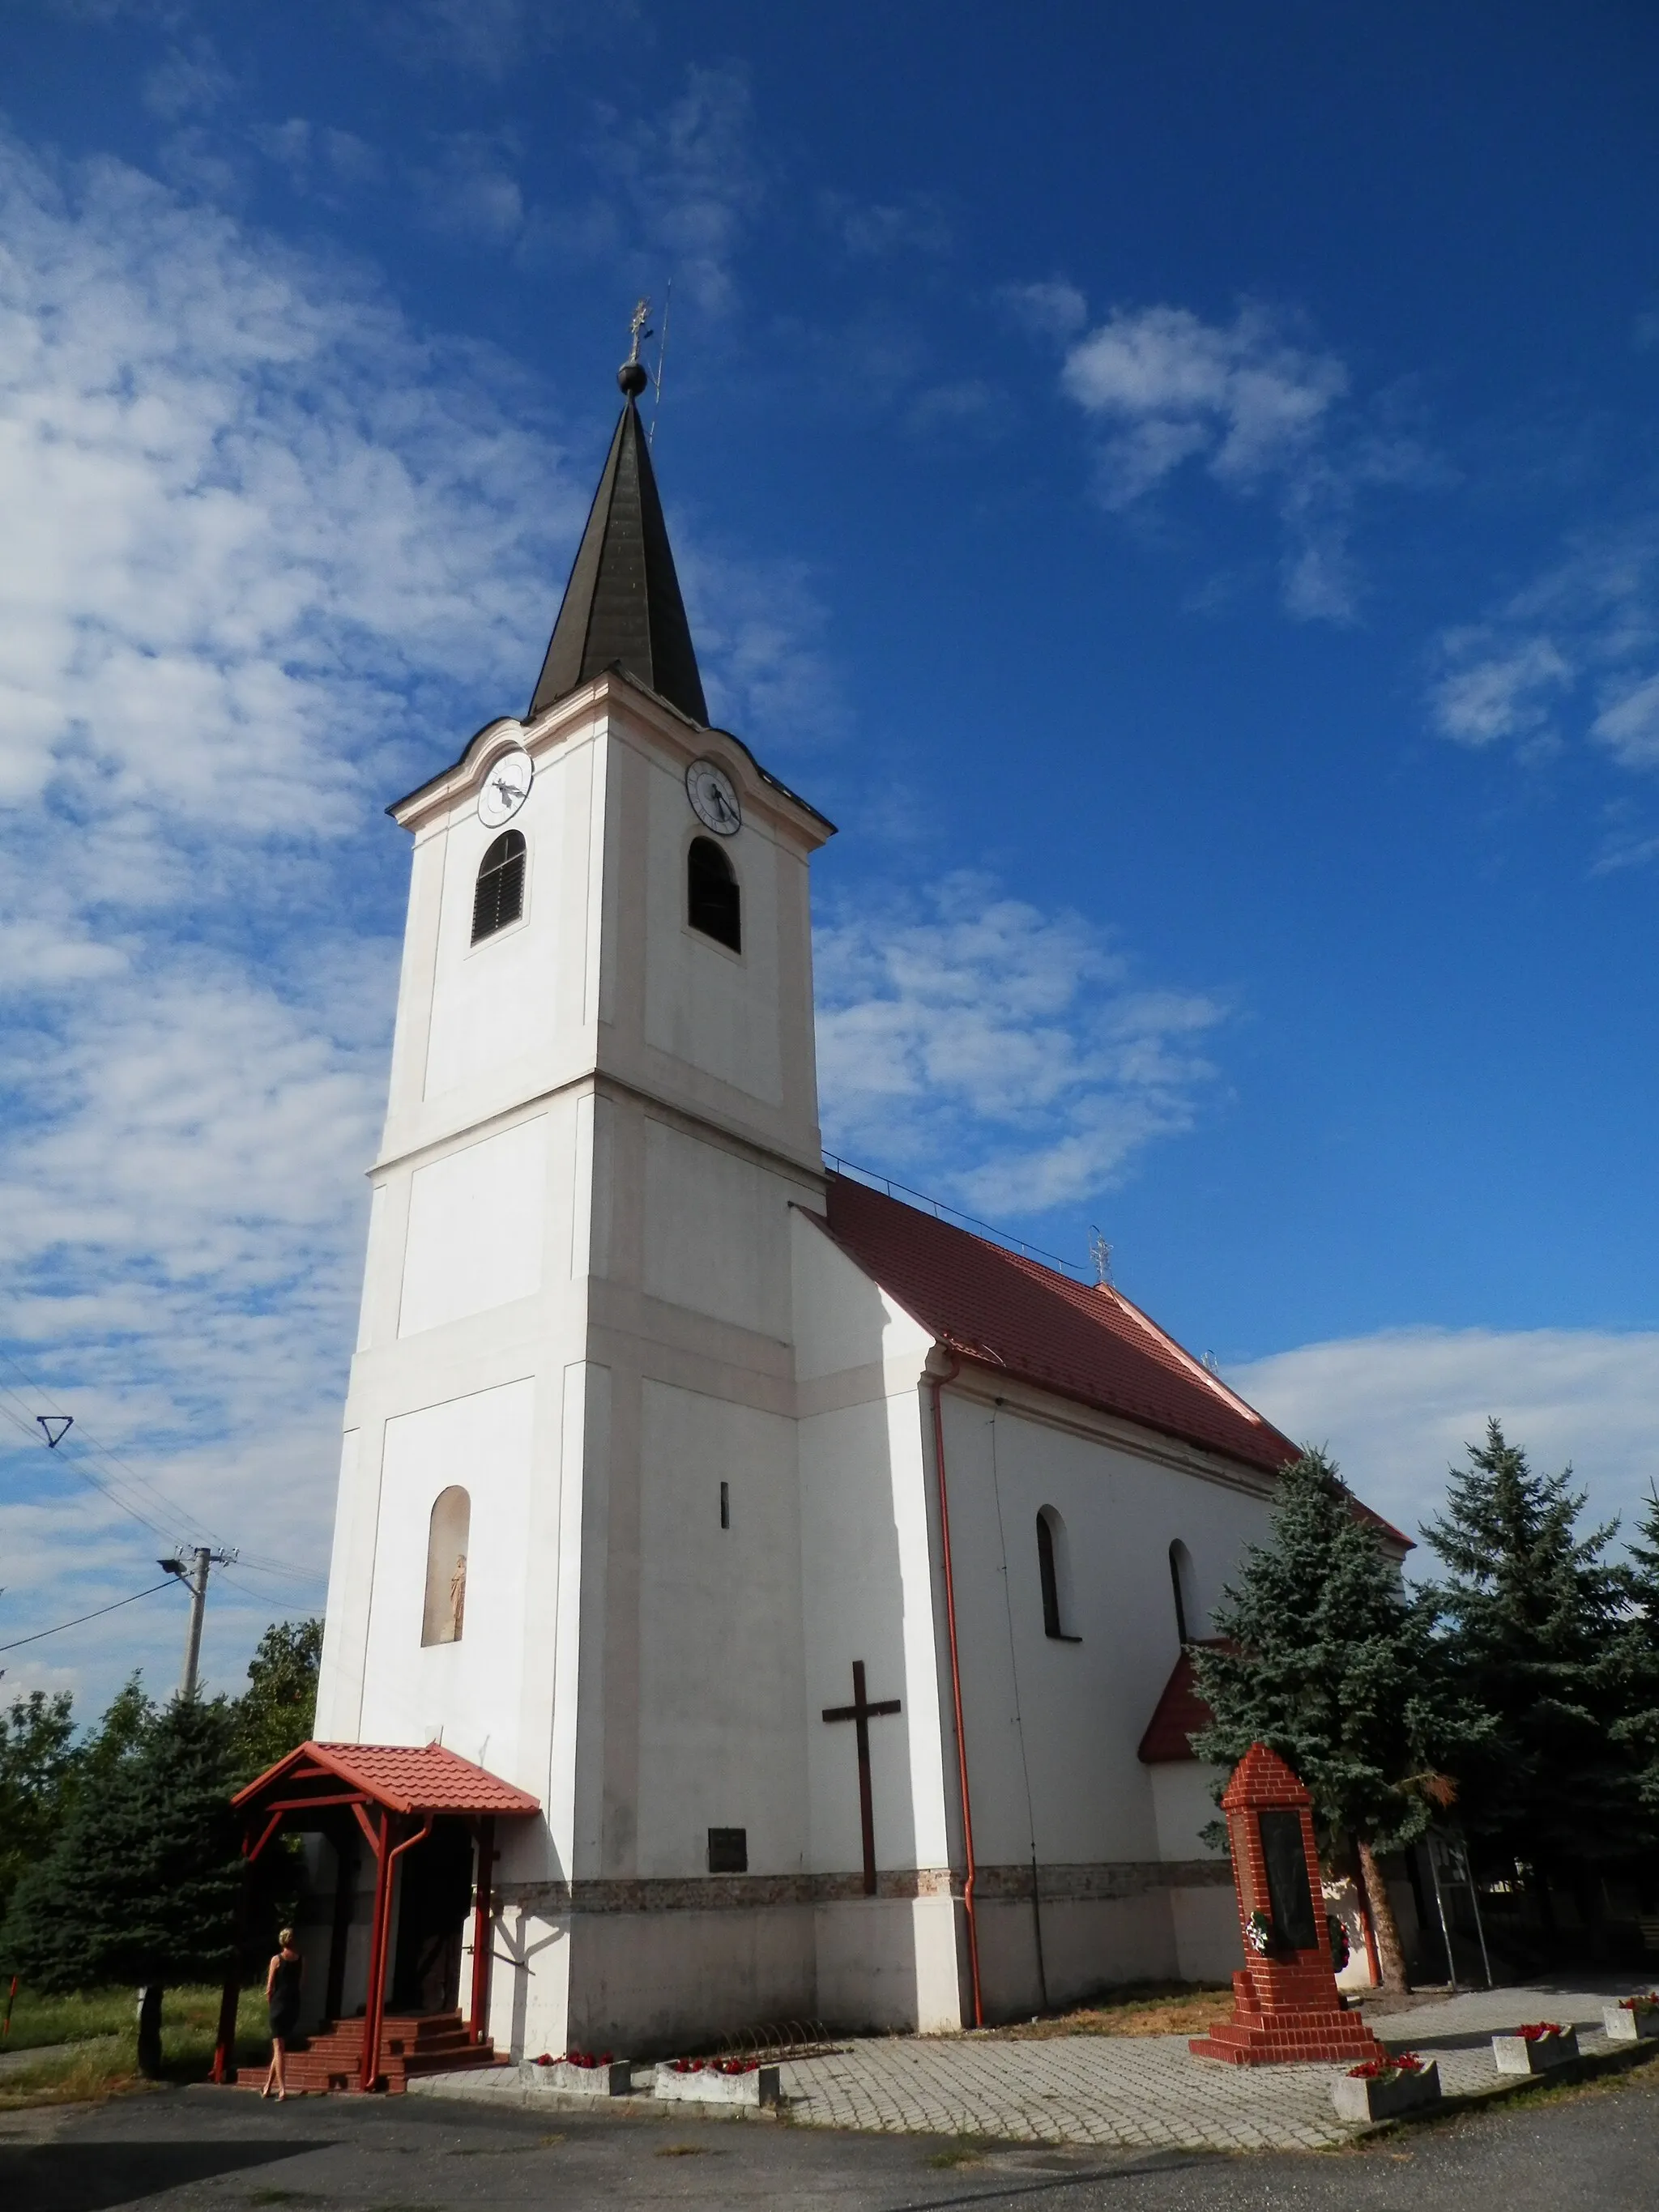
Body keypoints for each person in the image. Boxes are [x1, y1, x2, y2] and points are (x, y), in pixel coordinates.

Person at [262, 1928, 303, 2099]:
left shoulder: (276, 1960)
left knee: (278, 2047)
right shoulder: (300, 1959)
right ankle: (267, 2087)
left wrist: (270, 2005)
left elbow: (270, 1987)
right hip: (293, 2004)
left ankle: (282, 2089)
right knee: (280, 2047)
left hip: (279, 2004)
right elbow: (300, 1983)